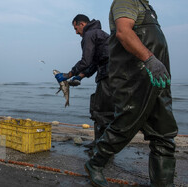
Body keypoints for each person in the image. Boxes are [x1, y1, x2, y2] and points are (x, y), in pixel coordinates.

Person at [84, 1, 178, 187]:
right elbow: (123, 32)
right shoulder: (127, 1)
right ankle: (95, 162)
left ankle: (163, 183)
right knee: (125, 124)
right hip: (134, 78)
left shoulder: (147, 8)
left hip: (157, 79)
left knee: (164, 132)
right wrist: (150, 59)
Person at [55, 14, 114, 148]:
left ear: (82, 24)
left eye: (76, 28)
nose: (76, 33)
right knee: (108, 109)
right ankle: (104, 142)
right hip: (114, 73)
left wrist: (68, 74)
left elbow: (86, 60)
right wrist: (80, 76)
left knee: (100, 109)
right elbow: (95, 61)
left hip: (108, 74)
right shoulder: (100, 33)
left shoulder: (89, 34)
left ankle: (102, 145)